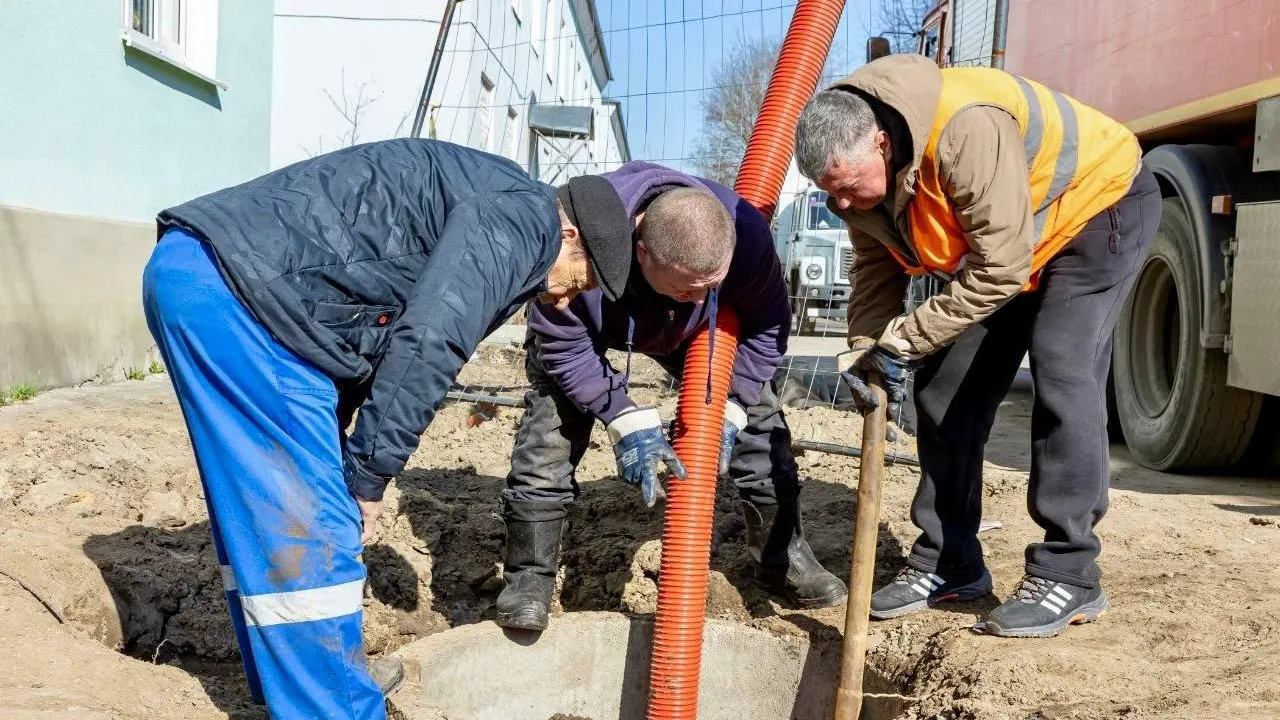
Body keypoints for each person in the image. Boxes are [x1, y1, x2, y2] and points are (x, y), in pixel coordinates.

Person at [142, 139, 642, 719]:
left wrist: (342, 447)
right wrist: (368, 475)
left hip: (214, 276)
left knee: (267, 508)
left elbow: (370, 329)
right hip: (245, 298)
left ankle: (310, 680)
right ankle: (335, 704)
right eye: (580, 280)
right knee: (314, 525)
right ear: (570, 234)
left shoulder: (499, 199)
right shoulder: (523, 224)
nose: (567, 299)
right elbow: (429, 341)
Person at [793, 54, 1160, 638]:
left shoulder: (965, 129)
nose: (841, 205)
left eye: (847, 188)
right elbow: (876, 271)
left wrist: (905, 340)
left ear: (882, 144)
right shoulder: (860, 185)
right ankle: (950, 559)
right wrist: (868, 350)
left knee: (1063, 371)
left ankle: (1069, 571)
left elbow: (1000, 269)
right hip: (1014, 240)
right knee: (944, 387)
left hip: (1096, 209)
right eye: (828, 193)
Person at [495, 161, 849, 631]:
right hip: (589, 328)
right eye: (688, 288)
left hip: (693, 335)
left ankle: (783, 558)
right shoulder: (579, 241)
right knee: (549, 434)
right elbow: (562, 346)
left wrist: (734, 405)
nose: (700, 296)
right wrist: (620, 414)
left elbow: (767, 330)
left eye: (711, 286)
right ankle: (529, 579)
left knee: (762, 424)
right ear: (641, 252)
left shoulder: (747, 238)